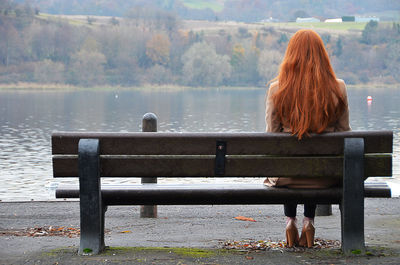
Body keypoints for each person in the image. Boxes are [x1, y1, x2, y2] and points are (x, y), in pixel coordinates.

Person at [264, 29, 351, 248]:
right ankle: (308, 222)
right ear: (322, 55)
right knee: (313, 165)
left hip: (287, 178)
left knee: (290, 162)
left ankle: (290, 221)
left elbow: (272, 137)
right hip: (324, 176)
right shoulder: (338, 88)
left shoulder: (276, 89)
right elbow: (345, 134)